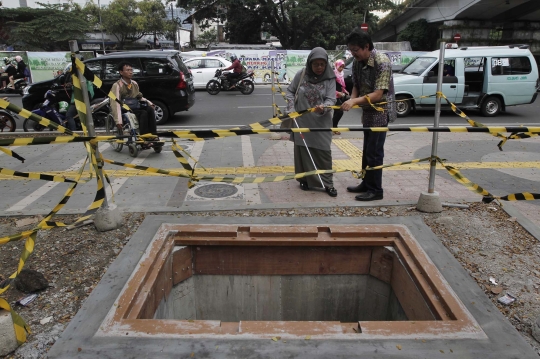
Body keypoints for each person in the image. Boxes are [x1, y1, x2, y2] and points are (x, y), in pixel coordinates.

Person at [341, 28, 396, 201]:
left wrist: (354, 102)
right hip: (367, 112)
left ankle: (376, 190)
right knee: (366, 151)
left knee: (375, 152)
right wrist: (350, 99)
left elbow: (378, 94)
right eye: (351, 50)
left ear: (366, 47)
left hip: (381, 111)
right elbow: (356, 85)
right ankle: (366, 183)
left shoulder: (382, 62)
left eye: (355, 50)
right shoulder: (358, 62)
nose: (353, 53)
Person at [285, 47, 337, 197]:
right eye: (316, 64)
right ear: (310, 64)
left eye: (322, 64)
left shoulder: (330, 78)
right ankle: (305, 180)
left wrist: (324, 107)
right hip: (302, 122)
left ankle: (328, 184)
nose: (319, 67)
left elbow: (331, 99)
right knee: (303, 152)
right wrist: (291, 109)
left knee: (324, 152)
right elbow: (290, 91)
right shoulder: (301, 74)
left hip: (321, 123)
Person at [111, 62, 157, 139]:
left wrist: (149, 103)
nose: (130, 72)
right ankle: (143, 137)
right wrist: (118, 121)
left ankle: (153, 135)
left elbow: (139, 96)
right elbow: (115, 103)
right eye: (128, 70)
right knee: (143, 113)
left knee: (149, 109)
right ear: (121, 72)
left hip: (135, 106)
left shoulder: (134, 84)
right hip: (125, 109)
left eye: (131, 70)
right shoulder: (117, 85)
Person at [62, 64, 95, 131]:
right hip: (85, 97)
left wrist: (72, 86)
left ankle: (74, 132)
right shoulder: (83, 74)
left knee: (69, 115)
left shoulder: (80, 76)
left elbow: (81, 86)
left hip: (80, 98)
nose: (70, 75)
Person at [331, 59, 350, 135]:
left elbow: (341, 85)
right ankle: (333, 127)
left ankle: (334, 127)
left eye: (342, 67)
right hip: (333, 95)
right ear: (336, 66)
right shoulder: (333, 74)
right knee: (340, 112)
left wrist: (345, 91)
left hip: (339, 95)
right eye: (340, 67)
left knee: (337, 112)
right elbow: (331, 87)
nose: (341, 69)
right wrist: (337, 93)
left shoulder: (341, 74)